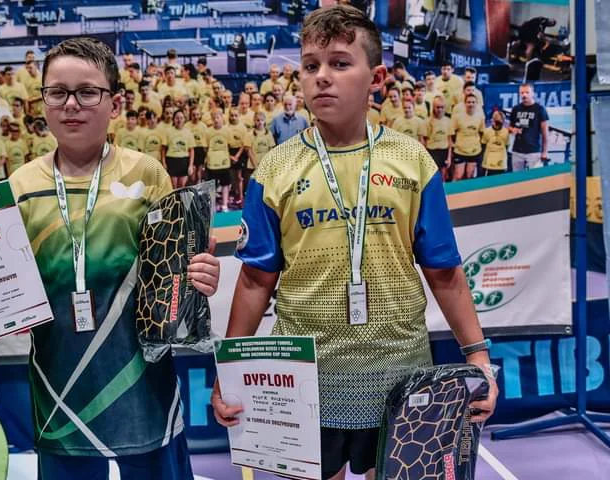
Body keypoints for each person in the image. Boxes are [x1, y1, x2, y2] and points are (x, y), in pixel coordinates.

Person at [0, 37, 220, 480]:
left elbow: (172, 273)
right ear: (44, 102)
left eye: (87, 92)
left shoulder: (147, 173)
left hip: (142, 379)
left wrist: (200, 277)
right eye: (58, 92)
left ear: (114, 104)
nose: (71, 104)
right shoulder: (20, 185)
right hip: (58, 381)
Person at [210, 6, 497, 480]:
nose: (322, 76)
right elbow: (256, 280)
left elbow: (444, 271)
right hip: (305, 378)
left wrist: (479, 357)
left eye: (340, 63)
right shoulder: (274, 169)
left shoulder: (413, 161)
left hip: (399, 373)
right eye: (311, 65)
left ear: (376, 78)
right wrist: (231, 371)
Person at [509, 83, 549, 171]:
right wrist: (513, 129)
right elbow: (509, 126)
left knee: (535, 177)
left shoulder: (540, 109)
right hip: (517, 151)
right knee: (517, 177)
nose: (524, 95)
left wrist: (544, 152)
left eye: (527, 92)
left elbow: (545, 133)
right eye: (522, 93)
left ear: (532, 93)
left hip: (534, 151)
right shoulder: (516, 109)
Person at [451, 93, 485, 180]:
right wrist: (456, 144)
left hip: (474, 151)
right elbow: (452, 133)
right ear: (465, 103)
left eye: (473, 102)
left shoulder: (480, 117)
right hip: (460, 151)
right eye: (469, 102)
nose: (471, 104)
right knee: (459, 176)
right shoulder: (457, 117)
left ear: (476, 104)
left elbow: (482, 132)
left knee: (470, 176)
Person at [163, 109, 195, 188]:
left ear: (184, 119)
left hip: (184, 161)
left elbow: (191, 150)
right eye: (177, 118)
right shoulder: (168, 131)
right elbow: (163, 149)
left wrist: (190, 165)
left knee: (181, 186)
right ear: (173, 119)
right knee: (174, 186)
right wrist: (164, 163)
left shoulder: (188, 132)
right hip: (172, 160)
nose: (179, 120)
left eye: (181, 118)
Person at [425, 96, 453, 179]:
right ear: (433, 107)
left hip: (443, 152)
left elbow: (450, 141)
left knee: (443, 177)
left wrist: (449, 157)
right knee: (432, 177)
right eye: (437, 107)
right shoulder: (428, 122)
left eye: (442, 107)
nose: (440, 109)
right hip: (432, 152)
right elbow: (424, 141)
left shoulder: (448, 121)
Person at [481, 110, 510, 176]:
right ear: (492, 120)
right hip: (488, 162)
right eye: (495, 120)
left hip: (501, 162)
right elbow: (483, 145)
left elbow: (506, 146)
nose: (496, 124)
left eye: (499, 121)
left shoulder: (506, 132)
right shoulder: (487, 131)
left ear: (503, 121)